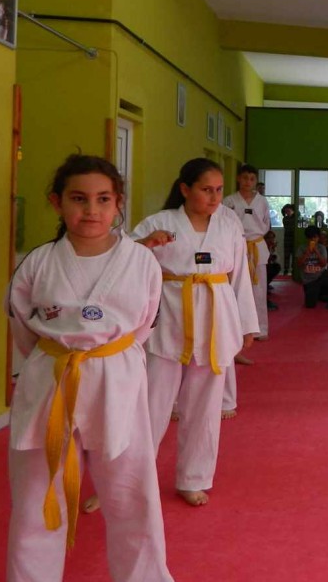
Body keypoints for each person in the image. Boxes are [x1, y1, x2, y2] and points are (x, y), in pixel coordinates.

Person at [5, 154, 174, 581]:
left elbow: (145, 323)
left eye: (103, 199)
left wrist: (107, 357)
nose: (91, 210)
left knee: (132, 493)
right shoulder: (38, 262)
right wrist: (57, 355)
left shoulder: (141, 262)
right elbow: (21, 325)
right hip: (51, 378)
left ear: (119, 203)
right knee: (36, 497)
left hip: (117, 379)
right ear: (56, 202)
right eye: (78, 199)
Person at [132, 158, 259, 506]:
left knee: (205, 407)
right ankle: (134, 477)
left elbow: (240, 276)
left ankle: (193, 478)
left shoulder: (228, 224)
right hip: (170, 319)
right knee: (152, 404)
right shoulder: (159, 223)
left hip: (216, 317)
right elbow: (123, 261)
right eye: (206, 190)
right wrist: (143, 244)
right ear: (185, 189)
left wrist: (247, 323)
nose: (214, 197)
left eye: (218, 190)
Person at [222, 164, 271, 341]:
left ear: (256, 181)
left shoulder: (262, 201)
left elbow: (266, 224)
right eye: (244, 178)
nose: (247, 182)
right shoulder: (229, 201)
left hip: (257, 246)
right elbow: (224, 224)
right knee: (236, 288)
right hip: (236, 246)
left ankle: (261, 328)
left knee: (259, 289)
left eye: (251, 179)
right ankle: (237, 330)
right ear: (238, 179)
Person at [297, 225, 328, 308]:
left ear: (318, 238)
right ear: (307, 238)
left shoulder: (322, 248)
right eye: (310, 238)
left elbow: (324, 264)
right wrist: (306, 254)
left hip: (320, 276)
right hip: (308, 280)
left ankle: (325, 295)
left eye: (315, 237)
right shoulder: (302, 248)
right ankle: (315, 294)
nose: (313, 240)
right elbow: (299, 264)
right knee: (310, 305)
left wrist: (317, 252)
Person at [281, 203, 297, 275]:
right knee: (286, 255)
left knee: (294, 255)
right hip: (287, 239)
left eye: (289, 210)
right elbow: (289, 228)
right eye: (286, 211)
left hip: (294, 238)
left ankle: (294, 269)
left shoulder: (296, 218)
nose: (287, 212)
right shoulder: (285, 219)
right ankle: (286, 269)